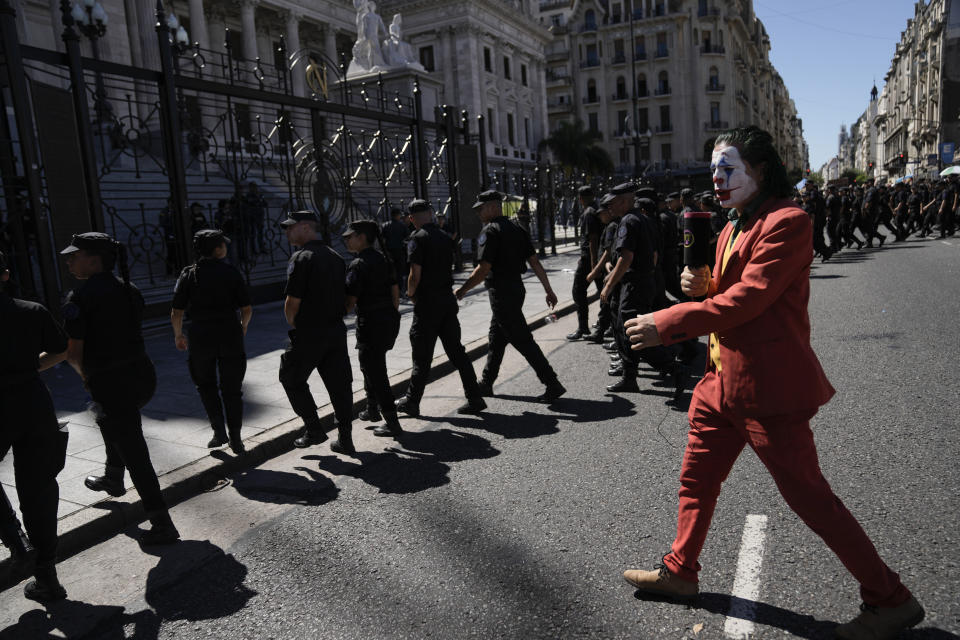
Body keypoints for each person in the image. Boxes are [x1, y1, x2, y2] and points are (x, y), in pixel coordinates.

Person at [622, 127, 923, 640]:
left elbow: (749, 302)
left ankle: (890, 599)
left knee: (809, 496)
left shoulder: (789, 221)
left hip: (767, 389)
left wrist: (669, 321)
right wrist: (701, 286)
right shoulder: (731, 226)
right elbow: (726, 293)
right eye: (714, 169)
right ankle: (680, 572)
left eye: (728, 169)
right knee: (696, 480)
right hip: (720, 382)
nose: (717, 179)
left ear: (760, 170)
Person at [59, 233, 179, 545]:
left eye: (75, 255)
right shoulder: (130, 289)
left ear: (94, 259)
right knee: (109, 421)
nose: (69, 260)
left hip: (112, 382)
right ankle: (113, 478)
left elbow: (73, 354)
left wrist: (86, 377)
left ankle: (162, 523)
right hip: (142, 376)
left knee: (135, 451)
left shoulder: (80, 298)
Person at [0, 251, 69, 602]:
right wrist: (28, 369)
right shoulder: (32, 311)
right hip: (32, 403)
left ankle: (16, 540)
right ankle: (47, 576)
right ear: (6, 275)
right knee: (39, 489)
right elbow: (60, 351)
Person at [456, 191, 566, 404]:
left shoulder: (490, 231)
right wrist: (549, 290)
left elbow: (483, 268)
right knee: (497, 337)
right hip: (516, 289)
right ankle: (487, 383)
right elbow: (534, 262)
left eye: (481, 209)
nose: (479, 213)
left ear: (492, 207)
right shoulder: (518, 228)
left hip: (502, 292)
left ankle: (552, 382)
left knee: (522, 339)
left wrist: (463, 290)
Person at [396, 199, 486, 416]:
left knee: (422, 355)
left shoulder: (417, 239)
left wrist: (410, 294)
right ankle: (474, 396)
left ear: (411, 218)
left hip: (427, 303)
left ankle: (412, 401)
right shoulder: (445, 237)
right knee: (457, 352)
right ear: (431, 213)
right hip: (446, 301)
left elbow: (414, 274)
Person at [278, 211, 355, 455]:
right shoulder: (335, 256)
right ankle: (345, 438)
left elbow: (293, 301)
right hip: (335, 329)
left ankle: (314, 429)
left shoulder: (301, 258)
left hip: (310, 331)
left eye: (291, 228)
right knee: (340, 385)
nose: (287, 232)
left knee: (290, 377)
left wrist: (293, 323)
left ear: (304, 227)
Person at [170, 230, 252, 454]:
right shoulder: (231, 272)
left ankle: (219, 432)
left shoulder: (188, 275)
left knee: (206, 386)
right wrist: (243, 326)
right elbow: (246, 308)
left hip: (200, 337)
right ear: (218, 249)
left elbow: (176, 311)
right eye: (223, 245)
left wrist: (178, 335)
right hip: (230, 335)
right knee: (232, 389)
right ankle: (236, 439)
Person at [601, 183, 685, 398]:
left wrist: (609, 285)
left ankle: (672, 366)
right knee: (625, 329)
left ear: (624, 201)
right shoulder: (644, 219)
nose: (610, 208)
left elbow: (626, 257)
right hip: (645, 282)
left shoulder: (628, 221)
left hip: (635, 285)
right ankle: (630, 378)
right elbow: (654, 255)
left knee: (631, 333)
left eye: (613, 203)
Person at [342, 220, 403, 439]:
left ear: (361, 237)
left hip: (370, 322)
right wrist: (392, 316)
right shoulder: (384, 259)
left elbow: (349, 302)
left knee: (376, 372)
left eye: (350, 236)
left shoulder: (358, 264)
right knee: (369, 365)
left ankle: (392, 422)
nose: (346, 239)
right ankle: (371, 408)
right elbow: (395, 292)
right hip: (387, 319)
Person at [567, 185, 601, 341]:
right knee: (604, 291)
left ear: (580, 199)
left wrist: (594, 267)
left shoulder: (588, 213)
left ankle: (583, 327)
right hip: (595, 258)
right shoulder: (596, 209)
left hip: (590, 259)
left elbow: (593, 240)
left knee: (578, 291)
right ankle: (604, 325)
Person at [585, 195, 618, 344]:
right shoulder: (611, 225)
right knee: (609, 304)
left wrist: (595, 270)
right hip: (610, 270)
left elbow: (608, 251)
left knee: (607, 303)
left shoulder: (611, 226)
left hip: (610, 272)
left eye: (601, 213)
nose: (599, 216)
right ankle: (605, 331)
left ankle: (602, 332)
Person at [381, 207, 410, 292]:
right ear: (397, 215)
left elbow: (382, 239)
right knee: (400, 271)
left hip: (389, 252)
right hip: (400, 251)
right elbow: (407, 237)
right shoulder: (402, 226)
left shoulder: (385, 225)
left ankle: (391, 289)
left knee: (390, 271)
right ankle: (400, 289)